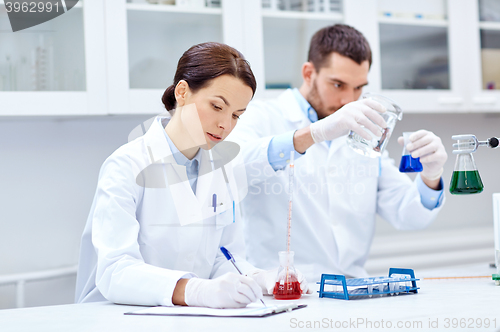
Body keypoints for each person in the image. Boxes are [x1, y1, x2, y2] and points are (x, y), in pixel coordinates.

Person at [74, 42, 310, 309]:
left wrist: (257, 277)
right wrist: (197, 290)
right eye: (217, 106)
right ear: (182, 92)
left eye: (236, 115)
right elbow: (115, 271)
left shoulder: (221, 169)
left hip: (187, 318)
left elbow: (224, 257)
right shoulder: (126, 165)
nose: (226, 125)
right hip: (117, 318)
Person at [228, 24, 448, 281]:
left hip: (350, 288)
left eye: (358, 88)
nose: (349, 100)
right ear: (309, 73)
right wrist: (314, 133)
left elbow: (408, 215)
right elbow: (232, 169)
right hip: (281, 290)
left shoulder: (363, 135)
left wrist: (431, 176)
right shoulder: (263, 117)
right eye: (338, 85)